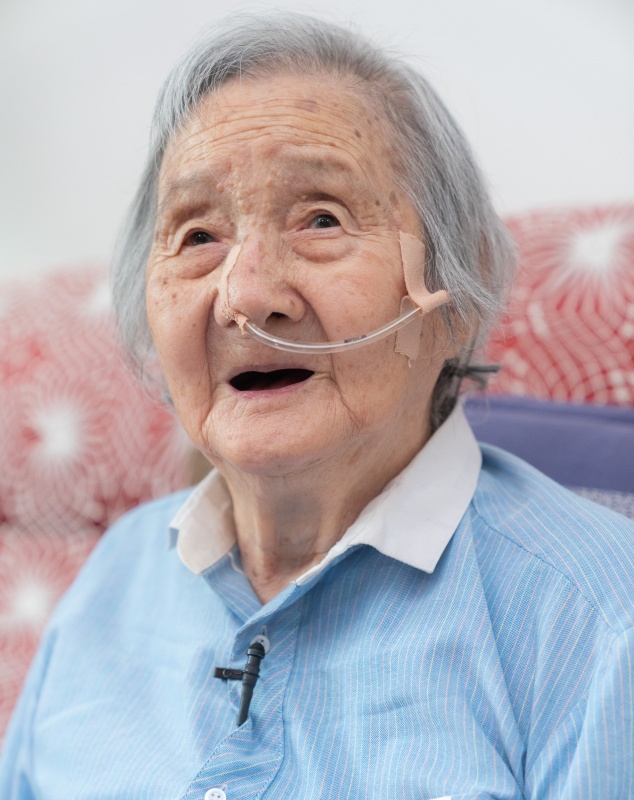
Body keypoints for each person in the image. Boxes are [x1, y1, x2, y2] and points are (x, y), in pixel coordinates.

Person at [1, 12, 632, 800]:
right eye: (197, 236)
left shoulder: (600, 622)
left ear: (455, 296)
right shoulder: (114, 580)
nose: (247, 296)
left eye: (322, 219)